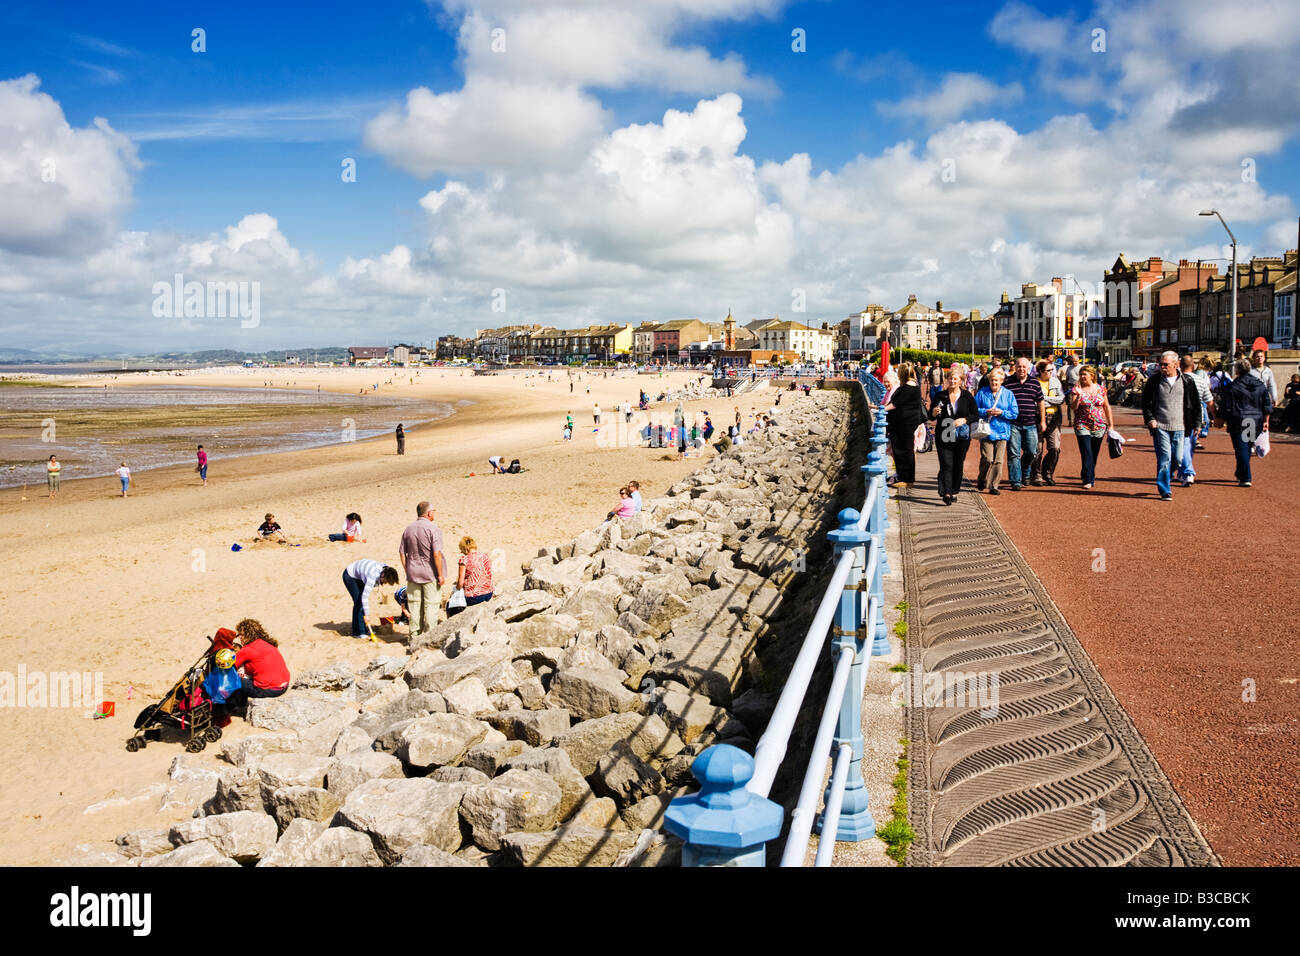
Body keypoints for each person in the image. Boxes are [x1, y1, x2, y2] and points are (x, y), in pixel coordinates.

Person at [1140, 351, 1201, 501]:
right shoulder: (1154, 381)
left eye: (1165, 364)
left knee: (1178, 458)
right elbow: (1146, 403)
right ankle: (1164, 489)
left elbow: (1195, 404)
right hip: (1160, 426)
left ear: (1176, 364)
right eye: (1160, 364)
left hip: (1180, 426)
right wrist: (1150, 419)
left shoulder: (1187, 381)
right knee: (1164, 458)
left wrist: (1197, 423)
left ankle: (1169, 473)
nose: (1162, 367)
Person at [1216, 359, 1271, 487]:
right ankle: (1241, 472)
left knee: (1241, 448)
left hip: (1238, 419)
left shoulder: (1233, 386)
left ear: (1237, 370)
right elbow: (1266, 404)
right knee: (1246, 448)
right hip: (1254, 419)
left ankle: (1246, 476)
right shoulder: (1259, 384)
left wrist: (1221, 418)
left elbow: (1226, 406)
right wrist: (1266, 420)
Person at [398, 501, 447, 642]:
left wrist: (407, 569)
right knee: (431, 605)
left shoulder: (409, 529)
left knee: (415, 606)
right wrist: (440, 574)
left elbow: (402, 553)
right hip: (430, 572)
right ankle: (428, 638)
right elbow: (436, 554)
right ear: (429, 513)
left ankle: (413, 638)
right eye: (434, 511)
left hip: (413, 572)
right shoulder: (433, 529)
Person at [931, 368, 977, 504]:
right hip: (944, 430)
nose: (952, 381)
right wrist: (934, 412)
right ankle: (946, 492)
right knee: (946, 463)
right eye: (950, 378)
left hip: (961, 433)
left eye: (955, 379)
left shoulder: (967, 396)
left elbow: (975, 414)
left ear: (961, 381)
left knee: (958, 463)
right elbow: (930, 416)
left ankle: (955, 490)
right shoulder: (940, 396)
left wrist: (965, 419)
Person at [225, 619, 290, 712]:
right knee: (244, 677)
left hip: (270, 690)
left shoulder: (247, 649)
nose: (239, 638)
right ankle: (239, 704)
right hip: (284, 685)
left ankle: (235, 706)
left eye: (241, 635)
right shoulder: (265, 643)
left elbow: (230, 666)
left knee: (230, 677)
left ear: (248, 635)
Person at [1068, 365, 1113, 490]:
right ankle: (1089, 479)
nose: (1082, 377)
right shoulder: (1077, 389)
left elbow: (1106, 407)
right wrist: (1079, 398)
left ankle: (1085, 473)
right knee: (1086, 451)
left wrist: (1111, 425)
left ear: (1092, 376)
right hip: (1082, 423)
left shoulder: (1101, 389)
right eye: (1081, 374)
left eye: (1085, 374)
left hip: (1099, 424)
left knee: (1094, 453)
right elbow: (1073, 407)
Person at [1003, 357, 1044, 491]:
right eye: (1019, 366)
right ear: (1015, 367)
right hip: (1013, 423)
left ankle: (1025, 472)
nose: (1021, 369)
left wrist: (1043, 421)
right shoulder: (1007, 382)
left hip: (1030, 423)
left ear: (1029, 368)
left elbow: (1040, 402)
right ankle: (1015, 480)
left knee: (1032, 452)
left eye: (1024, 367)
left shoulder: (1035, 383)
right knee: (1013, 453)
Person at [884, 362, 926, 490]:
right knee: (905, 450)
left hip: (905, 423)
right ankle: (904, 477)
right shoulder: (912, 386)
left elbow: (895, 404)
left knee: (904, 450)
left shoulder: (908, 387)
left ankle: (906, 478)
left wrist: (882, 409)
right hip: (905, 422)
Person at [975, 367, 1018, 495]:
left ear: (1002, 381)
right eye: (992, 380)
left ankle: (993, 485)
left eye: (997, 380)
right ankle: (981, 478)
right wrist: (985, 411)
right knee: (987, 458)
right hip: (986, 431)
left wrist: (1002, 413)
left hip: (1002, 430)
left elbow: (1014, 413)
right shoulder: (982, 393)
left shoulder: (1008, 394)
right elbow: (973, 409)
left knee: (998, 460)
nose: (994, 383)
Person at [1174, 355, 1213, 486]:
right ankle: (1183, 472)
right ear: (1193, 366)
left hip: (1180, 416)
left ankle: (1187, 472)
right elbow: (1209, 400)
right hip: (1197, 417)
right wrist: (1216, 416)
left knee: (1184, 445)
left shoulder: (1177, 379)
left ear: (1180, 365)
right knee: (1189, 445)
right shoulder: (1201, 380)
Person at [343, 558, 400, 638]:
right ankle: (358, 632)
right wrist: (367, 615)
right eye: (385, 581)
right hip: (350, 576)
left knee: (361, 604)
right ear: (383, 575)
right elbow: (364, 597)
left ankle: (364, 629)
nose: (384, 583)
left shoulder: (385, 569)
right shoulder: (372, 576)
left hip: (360, 576)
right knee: (359, 603)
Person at [1030, 359, 1064, 485]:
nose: (1051, 372)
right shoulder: (1033, 383)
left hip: (1054, 418)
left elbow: (1061, 399)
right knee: (1037, 449)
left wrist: (1044, 399)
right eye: (1048, 370)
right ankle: (1036, 475)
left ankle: (1048, 472)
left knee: (1055, 447)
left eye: (1052, 370)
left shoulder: (1055, 381)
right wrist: (1047, 400)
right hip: (1037, 417)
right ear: (1040, 371)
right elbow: (1034, 401)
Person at [451, 536, 494, 615]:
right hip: (489, 594)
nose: (462, 553)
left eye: (462, 550)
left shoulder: (464, 560)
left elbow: (460, 584)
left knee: (450, 606)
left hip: (474, 597)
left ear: (465, 549)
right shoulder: (485, 556)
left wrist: (454, 591)